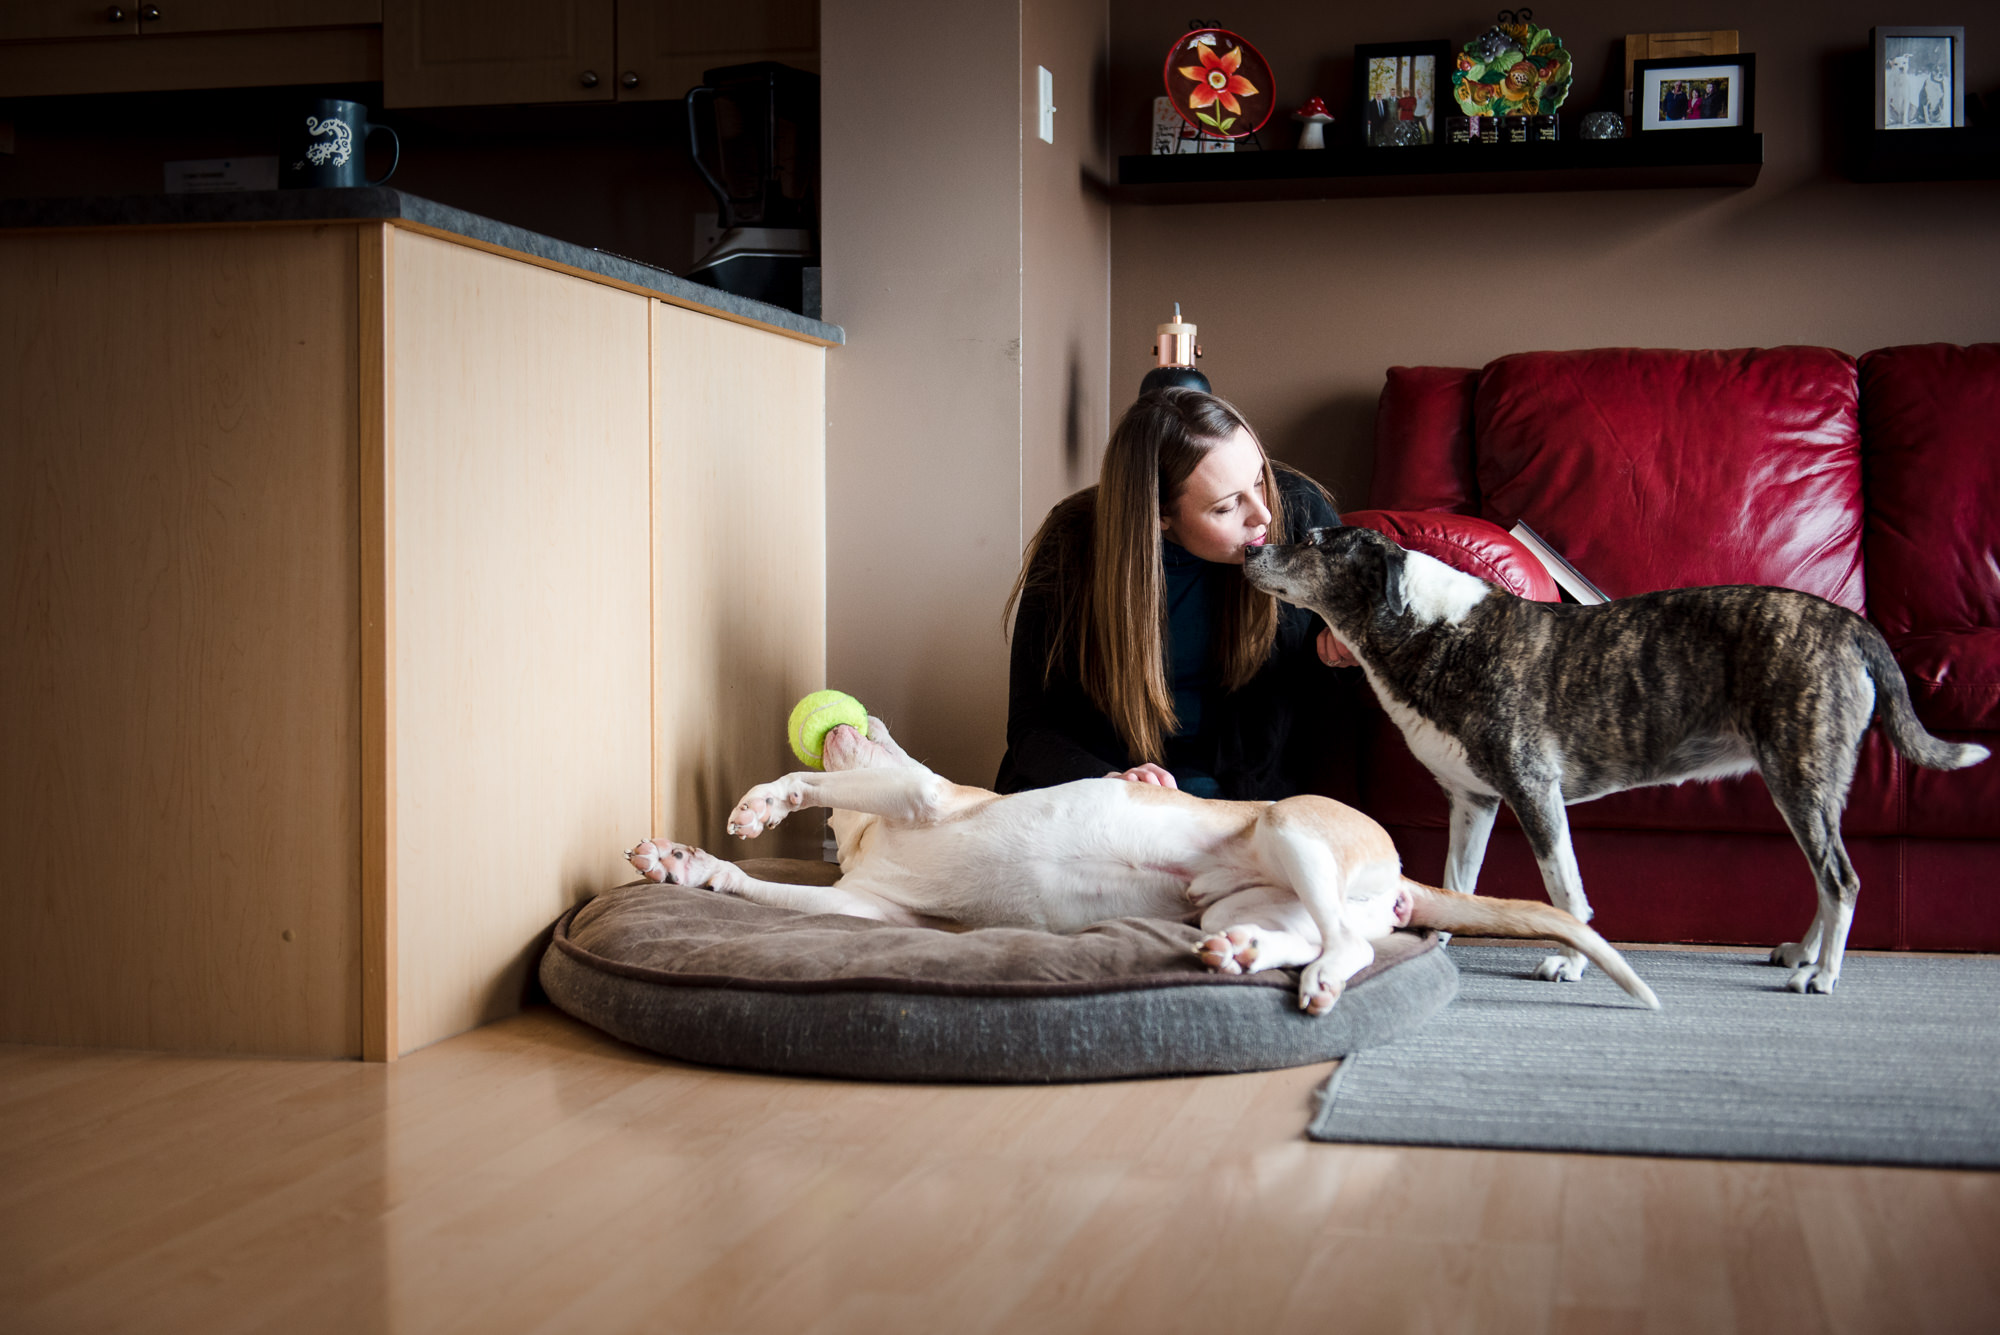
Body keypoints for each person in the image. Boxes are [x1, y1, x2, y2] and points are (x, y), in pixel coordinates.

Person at [995, 388, 1354, 802]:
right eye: (1225, 507)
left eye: (1259, 480)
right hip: (1110, 791)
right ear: (1160, 515)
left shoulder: (1298, 512)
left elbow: (1357, 660)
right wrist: (1110, 781)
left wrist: (1351, 649)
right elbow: (1032, 727)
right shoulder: (1073, 542)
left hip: (1242, 790)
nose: (1264, 514)